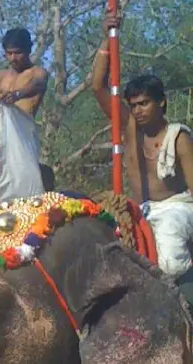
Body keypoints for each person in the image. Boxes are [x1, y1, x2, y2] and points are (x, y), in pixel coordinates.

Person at [92, 11, 193, 292]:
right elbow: (98, 85)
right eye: (133, 105)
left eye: (144, 103)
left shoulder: (179, 137)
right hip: (139, 210)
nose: (138, 110)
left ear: (161, 103)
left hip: (177, 209)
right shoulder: (129, 129)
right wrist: (106, 37)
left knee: (171, 258)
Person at [0, 28, 49, 118]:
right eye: (9, 53)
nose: (13, 58)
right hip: (2, 129)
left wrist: (18, 94)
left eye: (18, 53)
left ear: (28, 50)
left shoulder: (37, 73)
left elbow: (39, 84)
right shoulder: (1, 77)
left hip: (24, 130)